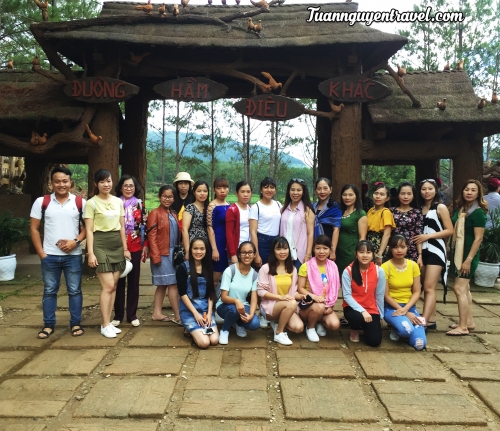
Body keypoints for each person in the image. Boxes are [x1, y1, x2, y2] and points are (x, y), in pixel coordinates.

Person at [30, 166, 86, 339]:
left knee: (75, 291)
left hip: (73, 256)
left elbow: (88, 228)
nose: (61, 184)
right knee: (49, 291)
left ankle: (75, 323)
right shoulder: (42, 202)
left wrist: (75, 242)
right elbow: (34, 228)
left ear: (71, 183)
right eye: (57, 181)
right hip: (50, 256)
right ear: (51, 183)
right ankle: (48, 325)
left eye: (65, 181)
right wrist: (41, 253)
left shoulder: (79, 202)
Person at [85, 169, 129, 338]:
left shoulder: (118, 201)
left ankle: (109, 322)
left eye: (109, 181)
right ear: (96, 184)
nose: (106, 184)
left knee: (114, 286)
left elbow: (122, 227)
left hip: (116, 243)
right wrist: (90, 253)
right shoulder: (91, 203)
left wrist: (125, 248)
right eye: (102, 181)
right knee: (108, 286)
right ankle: (104, 324)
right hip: (100, 243)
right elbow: (89, 230)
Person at [446, 180, 487, 336]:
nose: (469, 192)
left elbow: (478, 239)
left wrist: (468, 260)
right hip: (459, 252)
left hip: (468, 256)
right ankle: (468, 322)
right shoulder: (462, 209)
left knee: (459, 288)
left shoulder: (478, 213)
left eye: (473, 190)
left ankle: (462, 327)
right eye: (467, 189)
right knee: (466, 288)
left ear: (478, 193)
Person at [413, 179, 453, 330]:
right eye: (424, 189)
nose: (427, 192)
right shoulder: (420, 208)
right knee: (424, 286)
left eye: (430, 188)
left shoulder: (440, 207)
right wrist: (419, 253)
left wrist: (428, 236)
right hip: (422, 251)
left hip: (436, 250)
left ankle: (422, 321)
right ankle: (431, 320)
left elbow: (450, 230)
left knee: (429, 287)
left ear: (436, 190)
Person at [112, 175, 148, 328]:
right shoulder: (114, 203)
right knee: (118, 281)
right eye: (125, 185)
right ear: (120, 187)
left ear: (135, 188)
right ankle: (118, 315)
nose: (128, 188)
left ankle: (132, 315)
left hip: (135, 246)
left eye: (131, 186)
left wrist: (145, 245)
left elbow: (144, 225)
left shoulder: (139, 204)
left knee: (133, 281)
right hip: (117, 246)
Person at [258, 236, 305, 346]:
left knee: (298, 328)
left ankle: (277, 322)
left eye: (285, 248)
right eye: (278, 249)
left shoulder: (292, 269)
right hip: (270, 306)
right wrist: (280, 297)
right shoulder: (265, 268)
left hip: (288, 305)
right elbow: (260, 291)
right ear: (273, 251)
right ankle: (279, 333)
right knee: (291, 303)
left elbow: (293, 293)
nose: (282, 252)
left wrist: (302, 296)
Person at [382, 234, 426, 350]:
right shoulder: (385, 267)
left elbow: (417, 291)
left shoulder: (413, 265)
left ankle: (402, 324)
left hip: (410, 307)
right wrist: (404, 312)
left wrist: (406, 309)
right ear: (391, 249)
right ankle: (397, 326)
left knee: (420, 344)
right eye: (395, 247)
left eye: (402, 247)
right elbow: (386, 295)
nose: (399, 250)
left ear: (407, 248)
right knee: (406, 330)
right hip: (391, 307)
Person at [147, 185, 181, 325]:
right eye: (165, 196)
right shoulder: (154, 213)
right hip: (162, 254)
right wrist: (155, 255)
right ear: (159, 197)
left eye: (170, 197)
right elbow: (151, 236)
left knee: (162, 285)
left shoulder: (172, 213)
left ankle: (157, 313)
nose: (167, 199)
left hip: (172, 253)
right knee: (173, 284)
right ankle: (178, 316)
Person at [297, 235, 341, 342]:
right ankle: (310, 327)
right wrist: (314, 297)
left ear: (330, 250)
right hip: (307, 304)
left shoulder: (333, 266)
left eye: (325, 248)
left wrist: (331, 306)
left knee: (335, 325)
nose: (321, 252)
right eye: (318, 248)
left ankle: (319, 322)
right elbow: (300, 288)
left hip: (325, 304)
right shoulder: (306, 266)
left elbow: (334, 289)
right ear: (313, 249)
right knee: (320, 307)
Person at [177, 237, 219, 347]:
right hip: (190, 311)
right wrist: (195, 314)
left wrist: (209, 313)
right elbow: (182, 294)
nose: (198, 252)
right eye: (195, 248)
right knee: (204, 343)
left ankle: (197, 330)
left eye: (202, 249)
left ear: (206, 250)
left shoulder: (208, 267)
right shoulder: (183, 268)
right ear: (190, 249)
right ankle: (190, 329)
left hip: (205, 311)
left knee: (214, 340)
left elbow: (211, 293)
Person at [342, 240, 385, 346]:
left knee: (374, 342)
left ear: (373, 254)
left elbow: (379, 295)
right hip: (352, 308)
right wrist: (362, 311)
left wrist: (380, 315)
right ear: (356, 254)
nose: (365, 255)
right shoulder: (348, 271)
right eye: (361, 252)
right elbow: (346, 296)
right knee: (357, 318)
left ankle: (366, 326)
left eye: (368, 252)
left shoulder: (379, 271)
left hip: (371, 308)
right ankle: (355, 328)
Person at [216, 241, 260, 345]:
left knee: (254, 324)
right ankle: (225, 330)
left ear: (254, 255)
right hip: (224, 306)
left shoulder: (254, 275)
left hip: (243, 306)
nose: (247, 255)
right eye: (243, 252)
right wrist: (236, 301)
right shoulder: (230, 271)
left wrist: (251, 315)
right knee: (234, 309)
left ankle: (237, 322)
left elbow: (254, 299)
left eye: (250, 252)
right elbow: (223, 297)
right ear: (239, 254)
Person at [280, 178, 315, 269]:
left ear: (303, 192)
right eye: (292, 190)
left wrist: (308, 254)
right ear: (288, 191)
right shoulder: (283, 209)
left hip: (300, 254)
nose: (295, 193)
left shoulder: (307, 211)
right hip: (283, 253)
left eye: (299, 190)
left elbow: (310, 233)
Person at [250, 177, 282, 268]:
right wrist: (256, 254)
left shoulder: (278, 204)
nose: (269, 190)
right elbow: (253, 232)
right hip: (262, 242)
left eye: (272, 187)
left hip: (276, 241)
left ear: (275, 190)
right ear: (261, 190)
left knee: (276, 269)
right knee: (264, 269)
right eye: (266, 187)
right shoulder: (256, 207)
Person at [336, 184, 368, 277]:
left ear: (356, 196)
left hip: (351, 252)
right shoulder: (339, 211)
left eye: (350, 195)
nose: (347, 197)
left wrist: (359, 254)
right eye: (344, 195)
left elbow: (362, 237)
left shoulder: (360, 214)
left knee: (349, 277)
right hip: (338, 252)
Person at [390, 182, 424, 265]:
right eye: (403, 193)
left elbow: (418, 235)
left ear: (413, 196)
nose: (406, 197)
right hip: (394, 249)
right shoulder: (390, 211)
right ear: (398, 195)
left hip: (411, 250)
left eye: (409, 194)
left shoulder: (417, 213)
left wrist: (420, 255)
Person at [207, 178, 230, 285]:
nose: (222, 190)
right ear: (214, 190)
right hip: (217, 243)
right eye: (219, 188)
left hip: (228, 244)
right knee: (215, 278)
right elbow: (209, 228)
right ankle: (211, 295)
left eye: (225, 188)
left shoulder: (229, 205)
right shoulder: (212, 206)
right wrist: (214, 249)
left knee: (228, 276)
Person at [312, 177, 342, 260]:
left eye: (325, 188)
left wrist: (332, 250)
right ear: (316, 191)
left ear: (330, 190)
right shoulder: (312, 207)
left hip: (327, 247)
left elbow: (336, 230)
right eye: (319, 189)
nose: (322, 192)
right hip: (314, 246)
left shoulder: (335, 208)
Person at [367, 183, 396, 265]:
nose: (378, 196)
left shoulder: (386, 212)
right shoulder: (370, 210)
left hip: (379, 246)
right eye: (376, 193)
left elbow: (387, 234)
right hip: (369, 244)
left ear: (387, 198)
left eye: (382, 194)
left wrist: (380, 254)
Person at [226, 181, 252, 264]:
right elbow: (229, 233)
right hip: (237, 249)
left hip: (249, 249)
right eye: (242, 192)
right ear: (236, 193)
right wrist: (233, 254)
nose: (245, 194)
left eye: (248, 192)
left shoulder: (251, 209)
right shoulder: (232, 210)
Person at [182, 180, 209, 258]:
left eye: (205, 191)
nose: (202, 193)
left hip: (206, 246)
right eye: (199, 191)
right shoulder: (190, 208)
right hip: (193, 246)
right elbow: (184, 230)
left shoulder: (210, 207)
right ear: (194, 192)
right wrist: (187, 250)